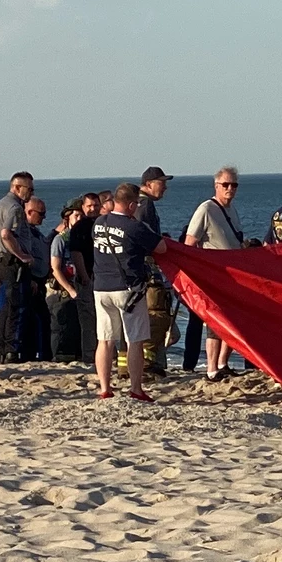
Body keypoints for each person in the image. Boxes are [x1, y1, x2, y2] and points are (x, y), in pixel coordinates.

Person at [89, 182, 161, 402]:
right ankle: (136, 388)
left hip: (101, 287)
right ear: (130, 205)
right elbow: (161, 248)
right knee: (134, 340)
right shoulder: (134, 227)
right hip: (128, 289)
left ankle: (104, 388)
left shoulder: (99, 222)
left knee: (105, 340)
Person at [183, 167, 245, 378]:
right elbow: (190, 243)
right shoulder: (206, 209)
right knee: (214, 323)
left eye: (234, 185)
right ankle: (211, 369)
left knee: (232, 320)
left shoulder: (232, 210)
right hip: (214, 276)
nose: (230, 189)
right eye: (225, 185)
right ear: (216, 186)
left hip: (234, 276)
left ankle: (223, 363)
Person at [0, 172, 36, 360]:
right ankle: (11, 350)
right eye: (29, 189)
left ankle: (1, 348)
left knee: (4, 308)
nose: (31, 193)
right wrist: (21, 255)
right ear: (17, 188)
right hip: (11, 264)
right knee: (16, 308)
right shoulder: (14, 207)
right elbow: (6, 234)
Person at [136, 167, 173, 375]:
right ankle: (148, 364)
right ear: (149, 184)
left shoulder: (137, 203)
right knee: (156, 315)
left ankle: (127, 366)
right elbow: (147, 237)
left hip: (136, 269)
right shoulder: (146, 204)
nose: (165, 187)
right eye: (162, 182)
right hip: (147, 269)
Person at [49, 203, 89, 362]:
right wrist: (70, 289)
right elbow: (55, 269)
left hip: (78, 286)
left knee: (76, 327)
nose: (79, 219)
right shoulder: (60, 240)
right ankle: (58, 358)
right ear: (67, 219)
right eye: (76, 216)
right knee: (60, 327)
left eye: (81, 216)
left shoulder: (81, 239)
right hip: (62, 290)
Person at [14, 196, 52, 361]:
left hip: (41, 280)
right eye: (41, 213)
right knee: (33, 320)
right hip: (31, 281)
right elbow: (22, 256)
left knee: (41, 319)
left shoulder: (36, 232)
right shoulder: (24, 233)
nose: (44, 217)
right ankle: (31, 354)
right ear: (29, 212)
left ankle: (42, 354)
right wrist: (30, 279)